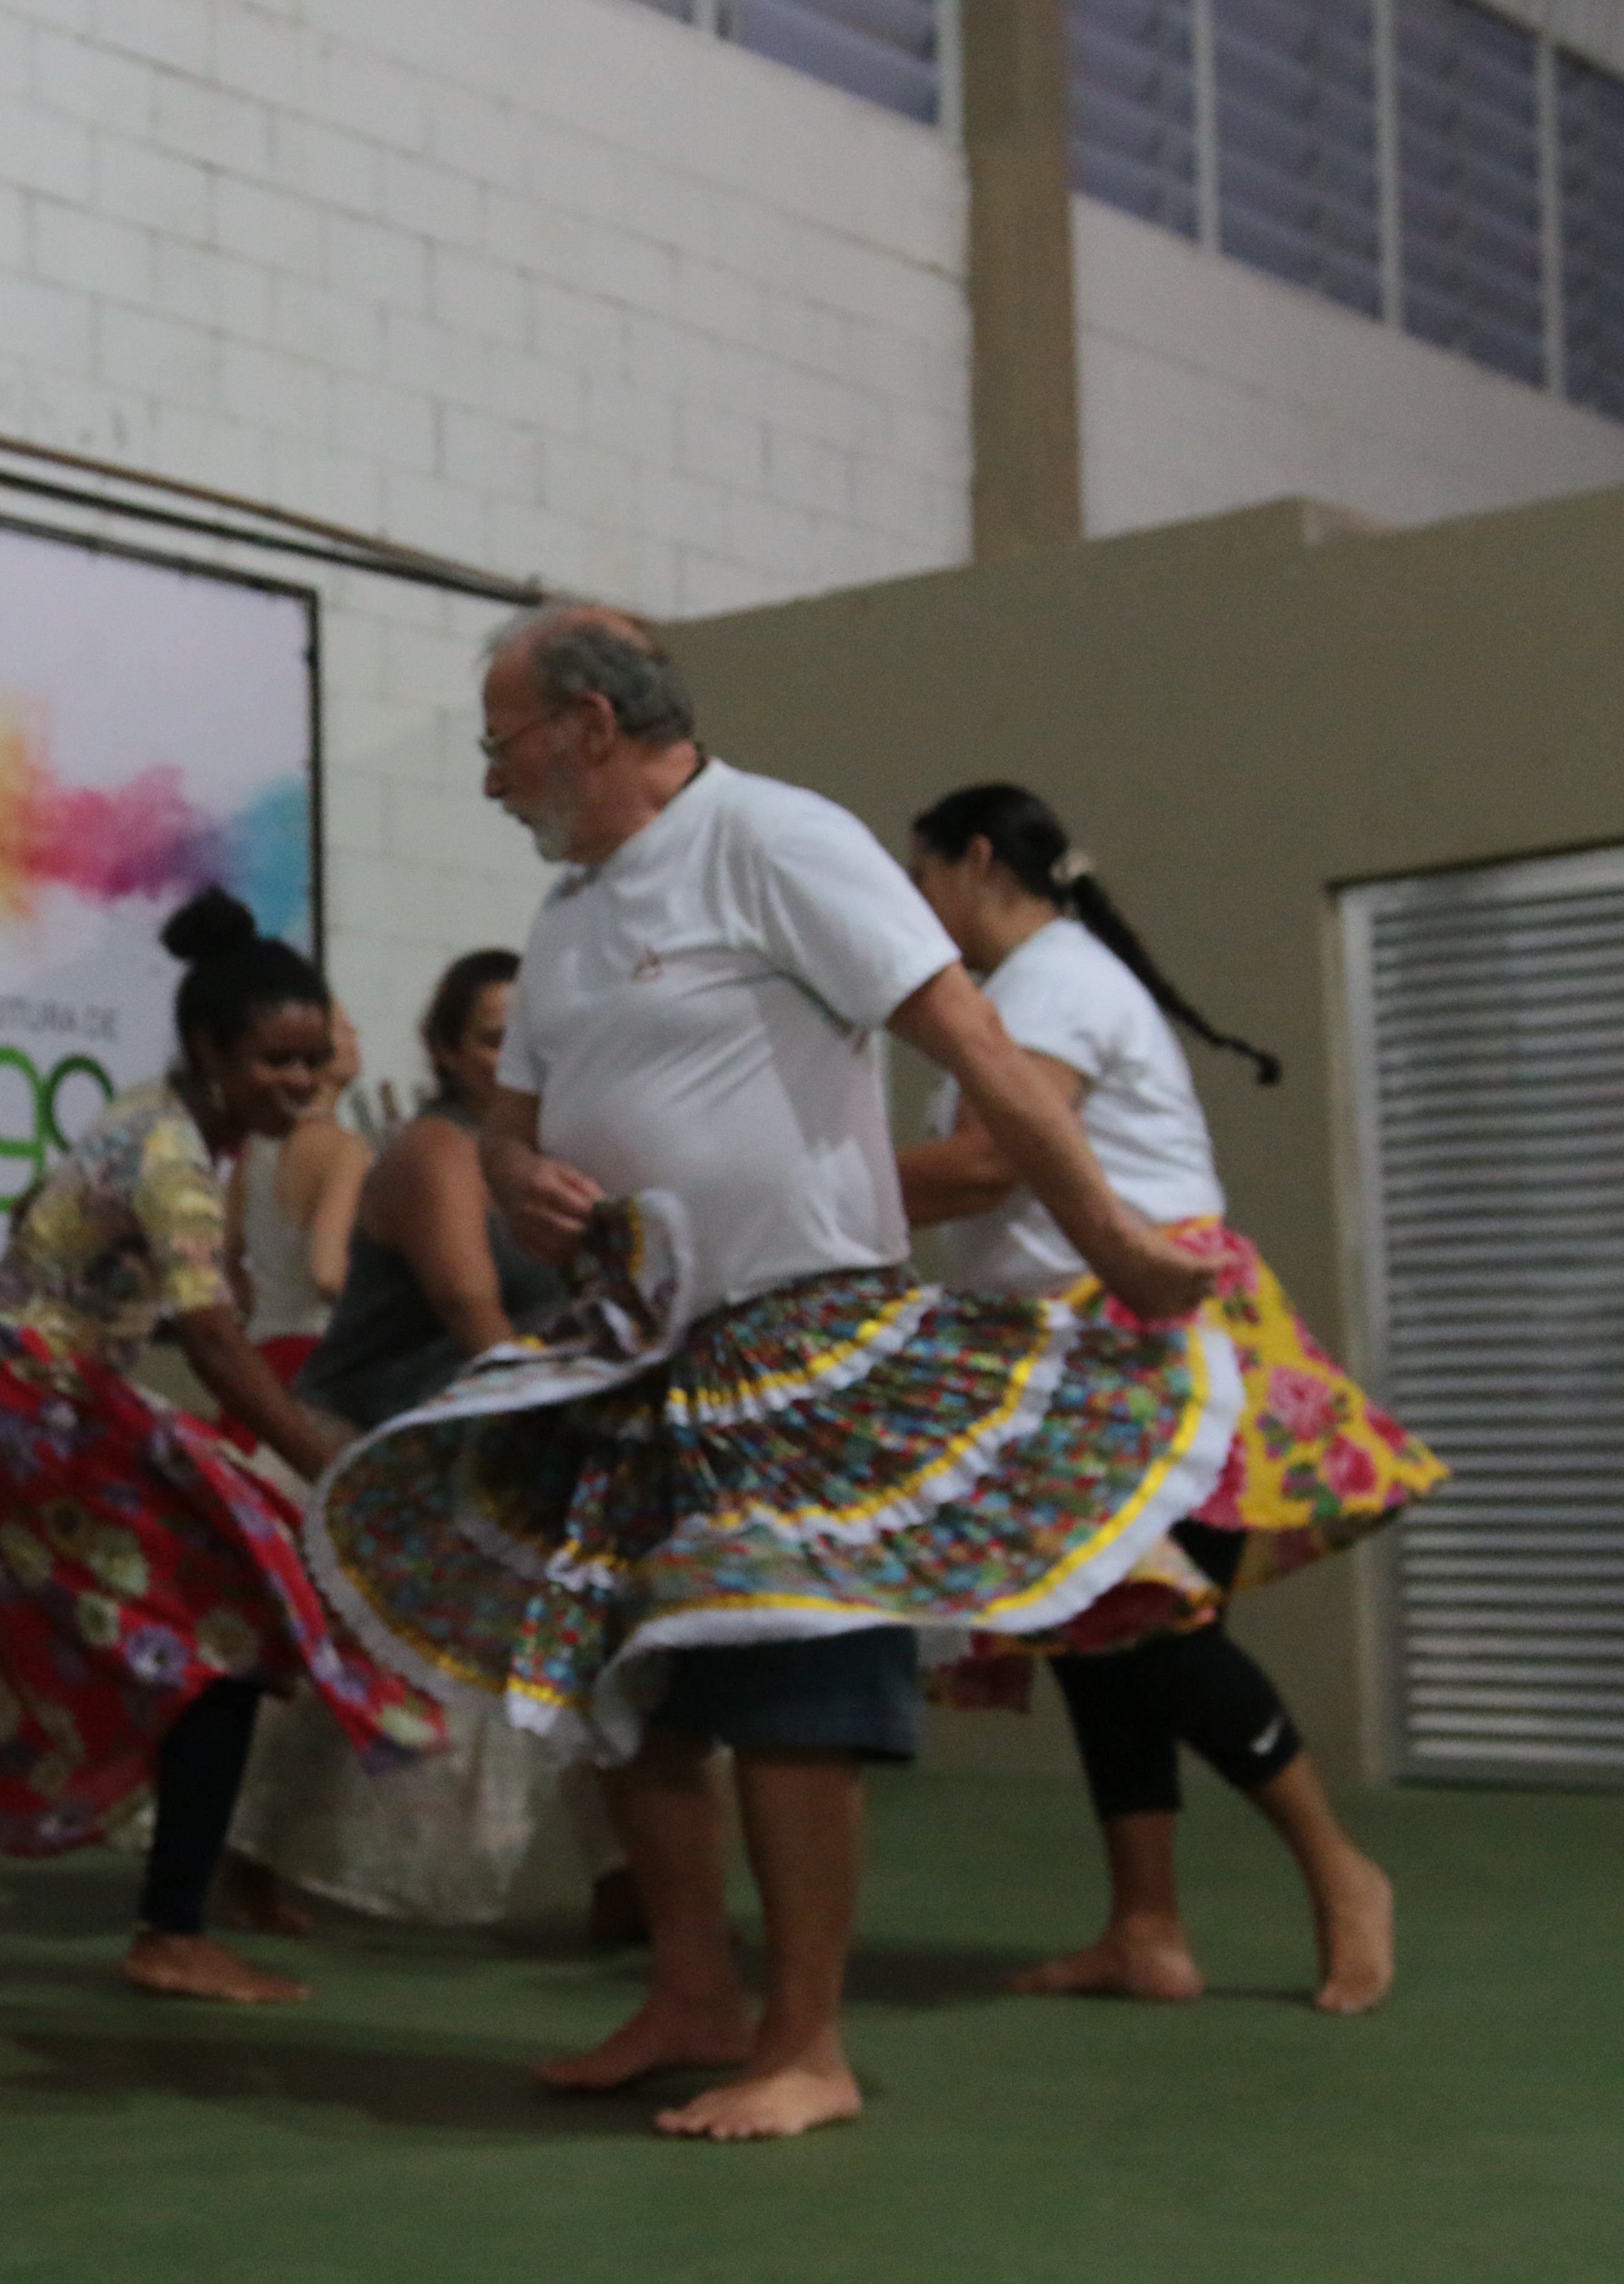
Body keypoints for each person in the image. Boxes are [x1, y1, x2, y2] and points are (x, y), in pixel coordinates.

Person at [307, 605, 1243, 2141]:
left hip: (797, 1335)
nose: (491, 780)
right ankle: (693, 1993)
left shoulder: (772, 837)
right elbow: (514, 1122)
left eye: (499, 744)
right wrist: (509, 1166)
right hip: (630, 1349)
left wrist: (1119, 1243)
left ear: (589, 726)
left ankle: (806, 2043)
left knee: (794, 1675)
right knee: (625, 1676)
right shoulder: (564, 911)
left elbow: (977, 1049)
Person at [0, 888, 446, 2006]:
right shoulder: (172, 1157)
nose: (299, 1084)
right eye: (275, 1062)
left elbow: (44, 1227)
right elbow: (211, 1342)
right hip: (27, 1396)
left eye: (312, 1061)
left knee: (14, 1623)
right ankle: (169, 1927)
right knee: (227, 1623)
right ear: (210, 1049)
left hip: (6, 1383)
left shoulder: (159, 1121)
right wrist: (330, 1469)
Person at [898, 783, 1440, 2016]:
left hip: (1135, 1337)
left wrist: (805, 1194)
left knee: (1146, 1616)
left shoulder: (1054, 984)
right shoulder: (1018, 996)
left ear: (978, 865)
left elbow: (990, 1164)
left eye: (922, 874)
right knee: (1099, 1637)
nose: (915, 904)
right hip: (1072, 1342)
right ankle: (1145, 1930)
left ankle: (1341, 1872)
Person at [223, 951, 632, 1936]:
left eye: (531, 1035)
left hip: (474, 1453)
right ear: (449, 1050)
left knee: (588, 1657)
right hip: (359, 1445)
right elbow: (466, 1302)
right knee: (306, 1686)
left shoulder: (555, 1162)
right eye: (493, 1036)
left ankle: (633, 1881)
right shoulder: (434, 1152)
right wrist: (554, 1408)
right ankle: (240, 1869)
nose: (517, 1054)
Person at [227, 1003, 368, 1384]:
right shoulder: (346, 1150)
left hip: (260, 1360)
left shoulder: (255, 1148)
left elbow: (228, 1260)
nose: (355, 1035)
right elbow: (327, 1273)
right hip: (315, 1359)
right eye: (341, 1027)